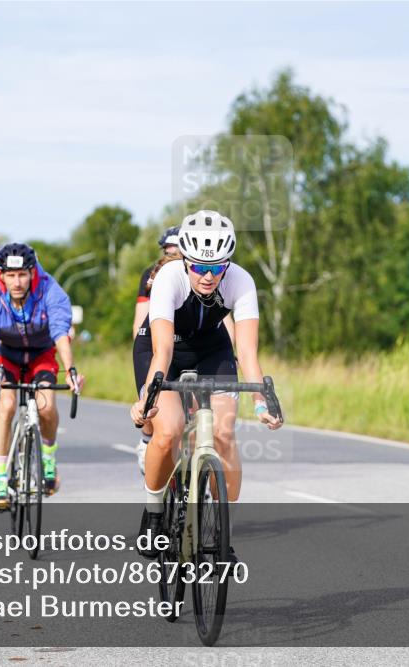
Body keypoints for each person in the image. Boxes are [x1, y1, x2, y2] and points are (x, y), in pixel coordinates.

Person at [129, 210, 283, 562]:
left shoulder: (241, 281)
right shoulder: (168, 278)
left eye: (218, 267)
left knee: (224, 433)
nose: (209, 276)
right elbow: (163, 349)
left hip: (212, 350)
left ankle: (219, 532)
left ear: (229, 263)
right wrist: (150, 394)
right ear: (185, 260)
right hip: (163, 348)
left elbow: (246, 351)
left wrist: (262, 402)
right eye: (199, 267)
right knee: (168, 431)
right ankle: (153, 514)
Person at [0, 242, 84, 509]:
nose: (17, 281)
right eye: (10, 275)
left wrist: (70, 370)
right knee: (6, 406)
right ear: (1, 275)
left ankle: (48, 461)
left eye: (22, 274)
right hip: (5, 356)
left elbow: (60, 332)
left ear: (33, 272)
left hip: (40, 354)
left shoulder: (49, 289)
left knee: (45, 406)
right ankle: (0, 482)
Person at [131, 226, 235, 474]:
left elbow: (222, 319)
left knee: (208, 417)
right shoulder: (154, 275)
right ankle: (148, 440)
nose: (173, 253)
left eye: (178, 249)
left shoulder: (203, 274)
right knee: (162, 413)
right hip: (162, 338)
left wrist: (232, 353)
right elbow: (143, 318)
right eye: (169, 249)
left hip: (201, 346)